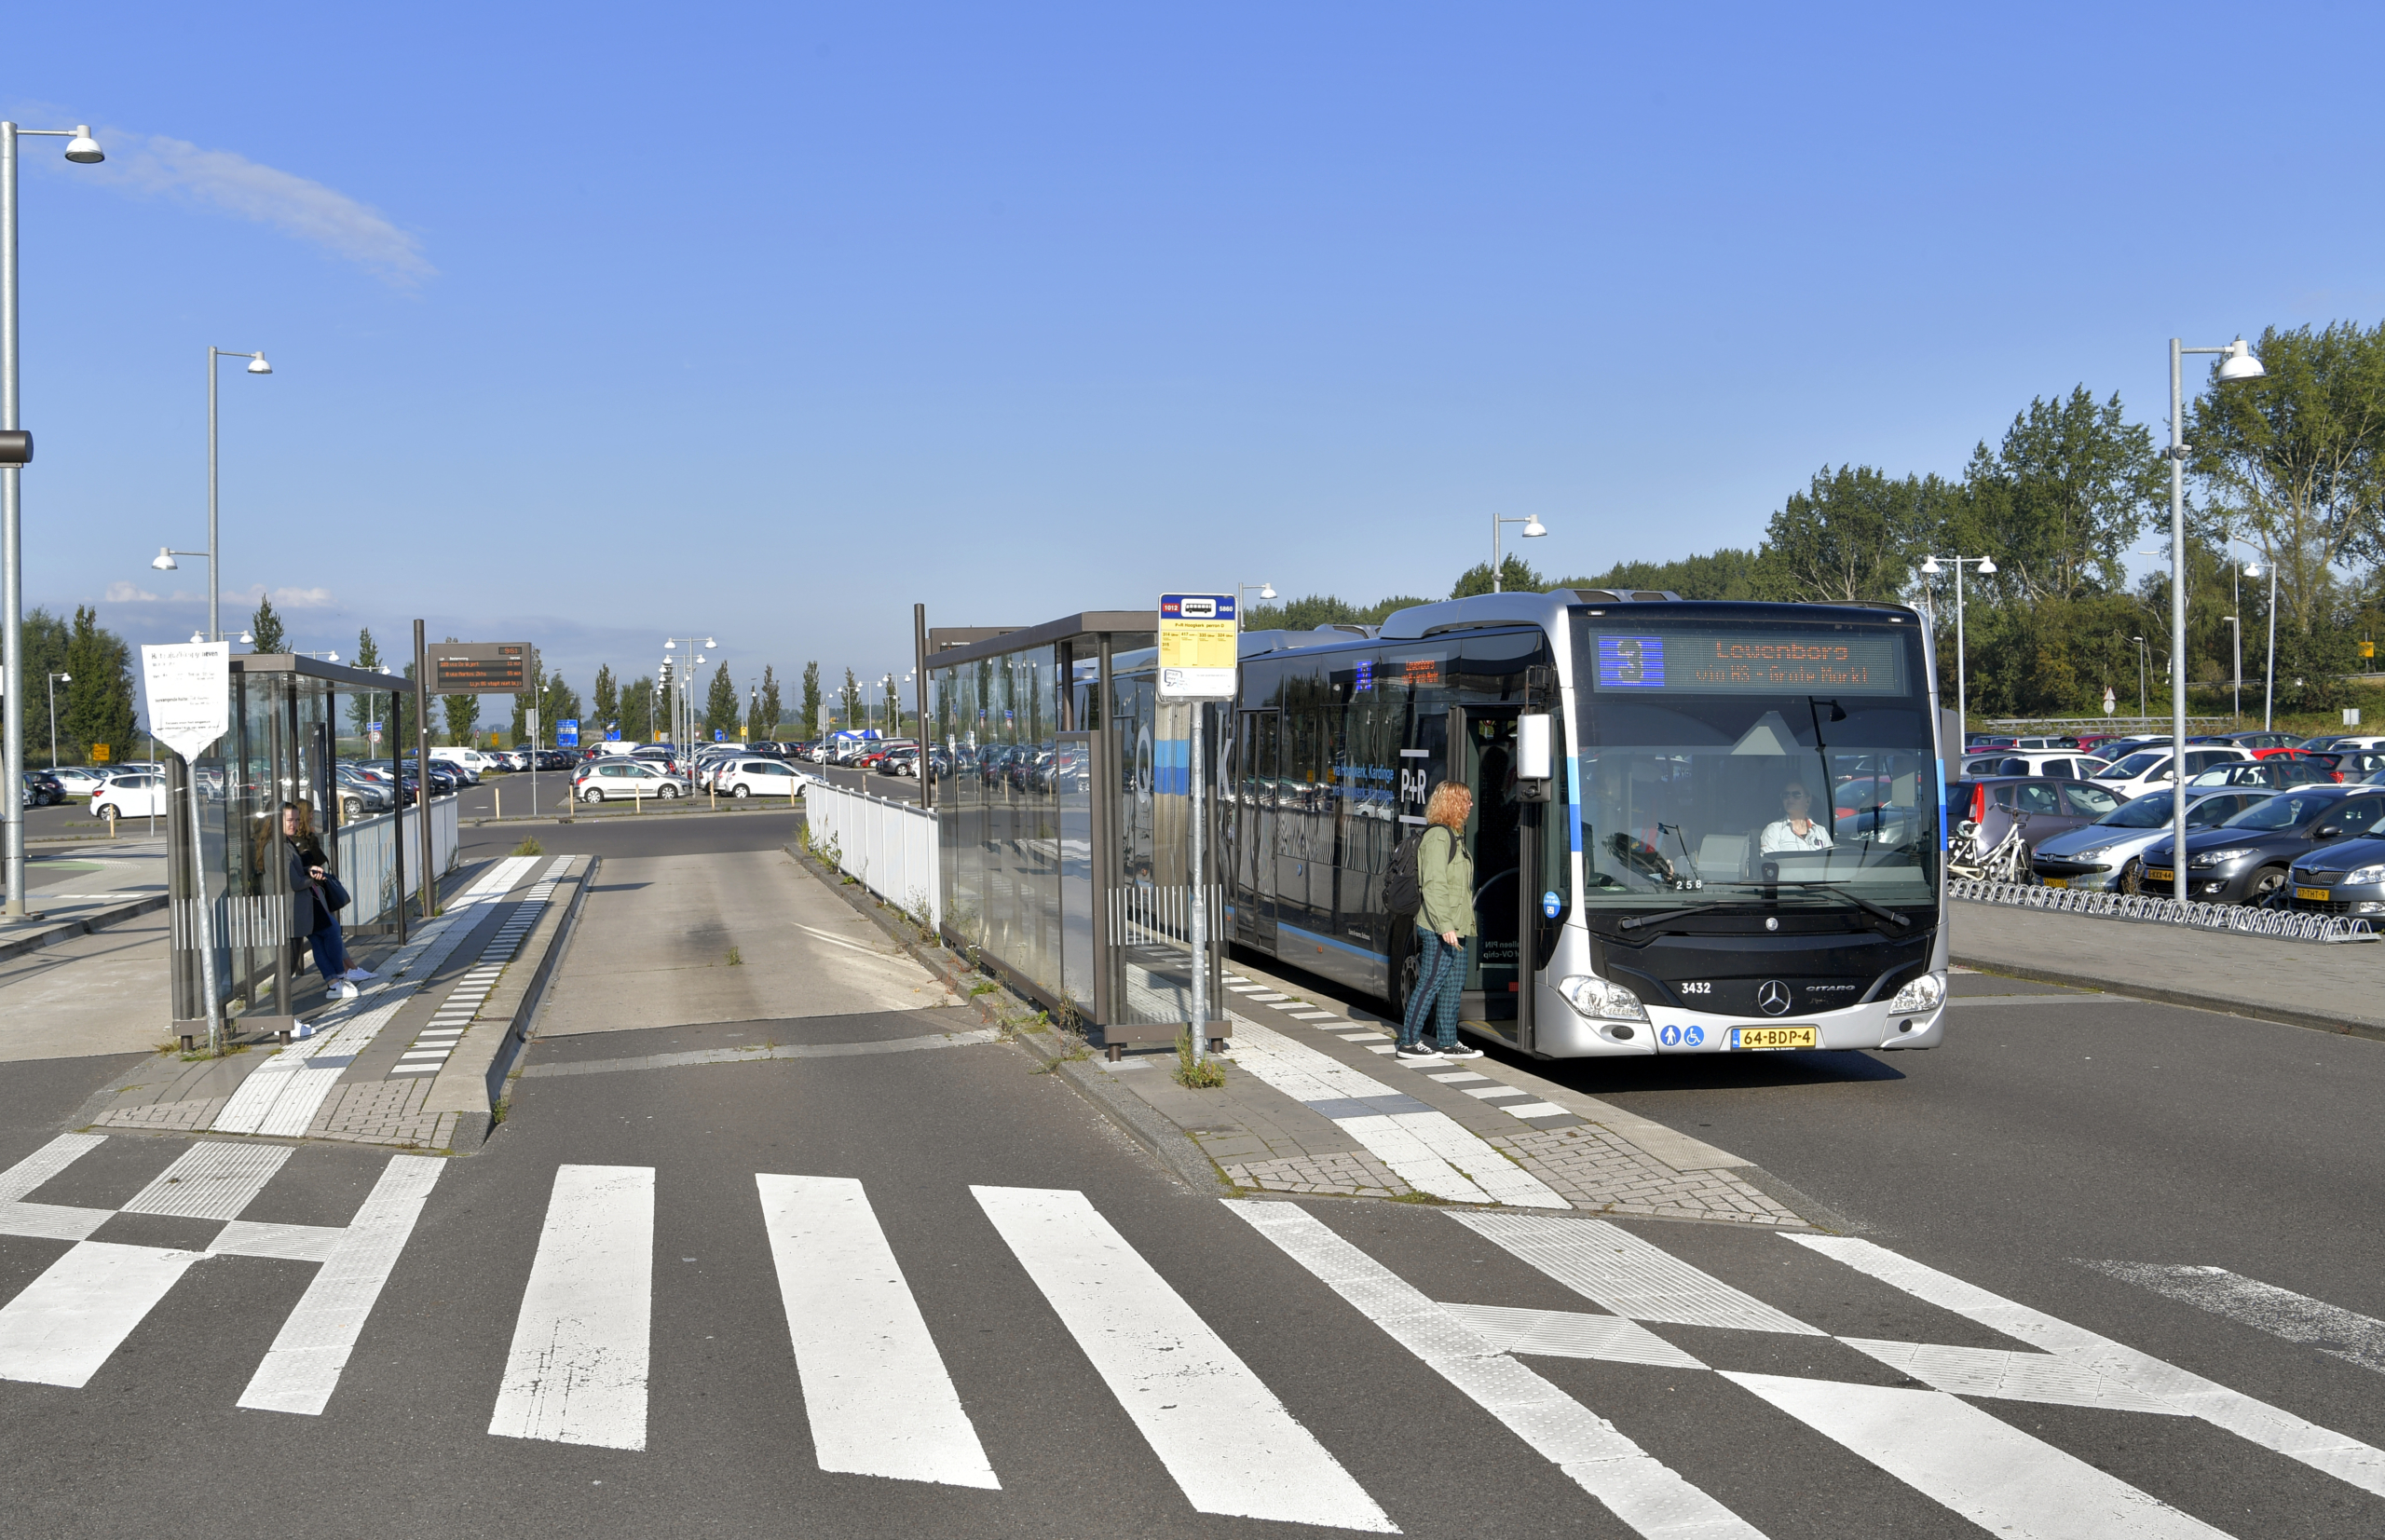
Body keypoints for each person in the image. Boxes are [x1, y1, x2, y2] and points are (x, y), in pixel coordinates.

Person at [1397, 781, 1484, 1060]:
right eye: (1466, 800)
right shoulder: (1438, 837)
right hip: (1439, 927)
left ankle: (1447, 1042)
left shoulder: (1455, 836)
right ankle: (1408, 1042)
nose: (1471, 805)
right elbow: (1433, 885)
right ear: (1453, 803)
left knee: (1452, 985)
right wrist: (1445, 926)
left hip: (1458, 926)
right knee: (1430, 983)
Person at [283, 802, 373, 1001]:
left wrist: (308, 871)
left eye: (298, 819)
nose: (296, 823)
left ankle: (338, 978)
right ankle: (340, 976)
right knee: (328, 932)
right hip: (304, 898)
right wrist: (310, 875)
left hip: (310, 896)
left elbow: (304, 869)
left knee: (323, 936)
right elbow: (294, 879)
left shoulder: (291, 841)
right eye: (291, 820)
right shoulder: (291, 843)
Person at [1758, 782, 1833, 854]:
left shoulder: (1821, 832)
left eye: (1796, 795)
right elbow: (1770, 863)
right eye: (1786, 795)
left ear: (1807, 800)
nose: (1790, 799)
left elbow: (1831, 862)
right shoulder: (1773, 830)